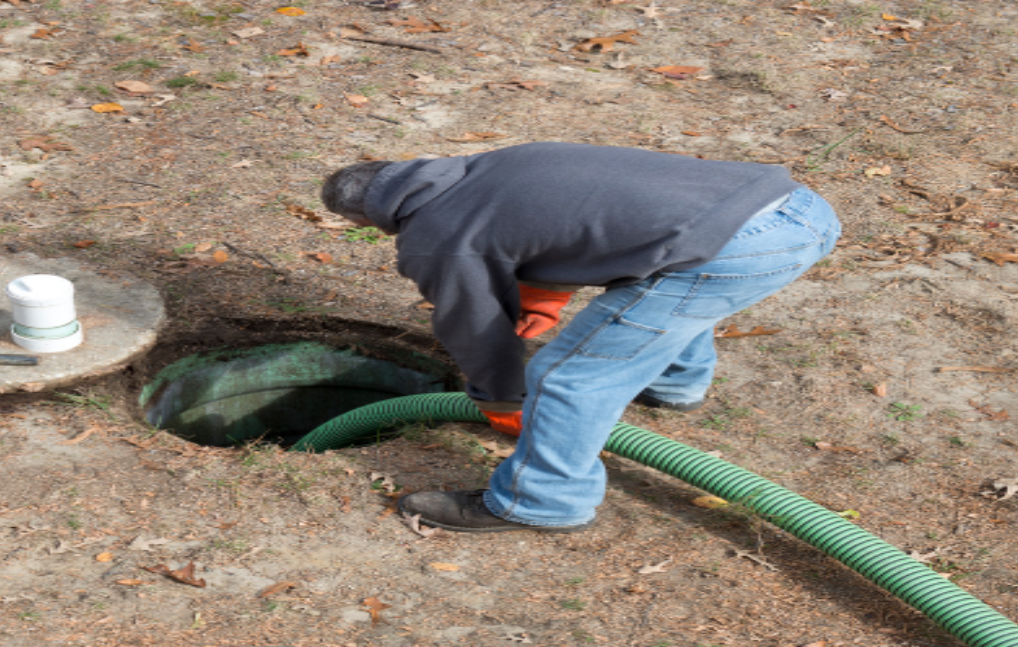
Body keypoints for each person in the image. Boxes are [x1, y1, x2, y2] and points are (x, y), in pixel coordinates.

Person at [320, 142, 840, 533]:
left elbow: (471, 326)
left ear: (367, 220)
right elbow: (577, 223)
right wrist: (542, 301)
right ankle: (674, 385)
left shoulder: (432, 235)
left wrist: (501, 397)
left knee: (566, 378)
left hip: (742, 247)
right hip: (792, 207)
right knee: (674, 293)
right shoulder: (494, 165)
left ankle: (544, 502)